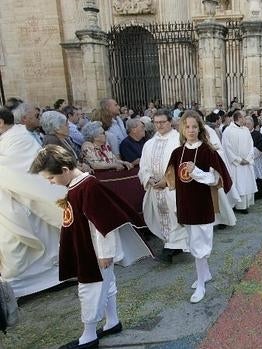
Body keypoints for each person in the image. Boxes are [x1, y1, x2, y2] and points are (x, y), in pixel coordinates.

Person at [30, 145, 152, 349]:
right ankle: (112, 321)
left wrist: (105, 253)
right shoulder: (76, 185)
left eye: (51, 178)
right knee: (108, 284)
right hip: (88, 247)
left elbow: (103, 223)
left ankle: (88, 336)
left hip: (95, 252)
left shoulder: (88, 186)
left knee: (90, 290)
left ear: (64, 170)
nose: (51, 183)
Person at [165, 113, 232, 303]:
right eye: (187, 127)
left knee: (200, 244)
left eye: (194, 127)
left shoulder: (207, 151)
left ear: (200, 129)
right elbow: (172, 178)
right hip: (185, 202)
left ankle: (201, 283)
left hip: (202, 203)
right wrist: (159, 183)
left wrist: (196, 172)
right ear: (182, 130)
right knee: (193, 240)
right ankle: (205, 274)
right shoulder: (177, 153)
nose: (191, 131)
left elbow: (215, 179)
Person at [0, 107, 65, 298]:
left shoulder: (18, 138)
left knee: (16, 235)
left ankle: (47, 279)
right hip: (13, 198)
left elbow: (16, 171)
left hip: (29, 199)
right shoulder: (7, 139)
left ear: (1, 123)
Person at [139, 110, 188, 262]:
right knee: (163, 219)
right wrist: (149, 179)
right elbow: (143, 167)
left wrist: (166, 181)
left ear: (170, 121)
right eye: (156, 122)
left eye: (162, 122)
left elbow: (183, 164)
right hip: (156, 188)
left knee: (176, 217)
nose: (159, 125)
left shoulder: (179, 140)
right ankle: (171, 245)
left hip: (174, 187)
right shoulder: (149, 143)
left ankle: (173, 247)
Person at [222, 110, 258, 213]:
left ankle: (244, 206)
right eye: (244, 117)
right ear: (238, 118)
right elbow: (226, 148)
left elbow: (251, 145)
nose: (245, 119)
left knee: (245, 184)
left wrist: (248, 158)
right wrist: (238, 160)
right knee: (236, 184)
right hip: (235, 165)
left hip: (246, 163)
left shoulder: (246, 130)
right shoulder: (228, 131)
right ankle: (234, 205)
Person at [247, 115, 262, 199]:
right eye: (246, 124)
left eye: (249, 124)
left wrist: (252, 154)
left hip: (257, 159)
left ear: (253, 124)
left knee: (259, 174)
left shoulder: (258, 134)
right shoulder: (243, 134)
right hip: (248, 160)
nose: (247, 125)